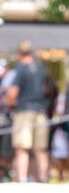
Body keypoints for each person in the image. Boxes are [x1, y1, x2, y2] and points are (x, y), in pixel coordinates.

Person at [5, 39, 50, 184]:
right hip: (41, 111)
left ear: (19, 53)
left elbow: (13, 93)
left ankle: (22, 179)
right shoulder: (40, 67)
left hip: (24, 111)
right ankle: (42, 178)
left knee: (22, 148)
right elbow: (46, 89)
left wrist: (8, 102)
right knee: (40, 149)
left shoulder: (20, 68)